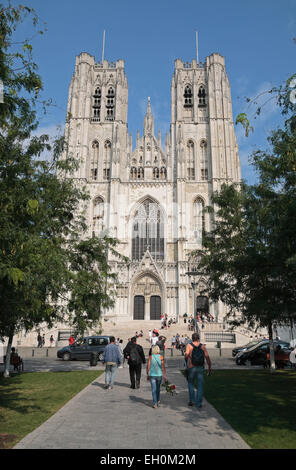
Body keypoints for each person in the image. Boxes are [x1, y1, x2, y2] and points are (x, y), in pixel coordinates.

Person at [184, 332, 212, 409]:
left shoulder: (189, 346)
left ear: (192, 338)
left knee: (191, 384)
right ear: (198, 338)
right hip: (200, 367)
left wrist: (187, 358)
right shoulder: (202, 346)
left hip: (192, 367)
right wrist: (209, 367)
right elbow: (207, 357)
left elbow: (186, 355)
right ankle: (199, 403)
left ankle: (192, 401)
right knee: (200, 386)